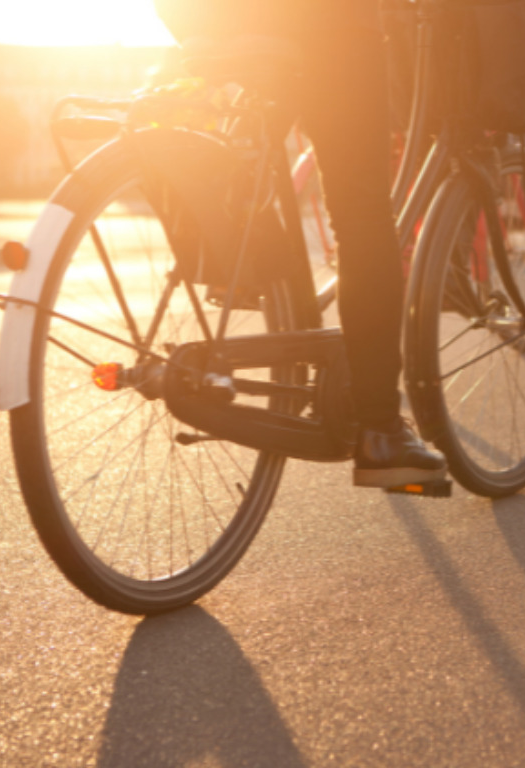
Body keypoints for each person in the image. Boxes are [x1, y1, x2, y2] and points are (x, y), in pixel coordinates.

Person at [153, 0, 446, 489]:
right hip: (324, 23)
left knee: (237, 162)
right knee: (362, 215)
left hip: (205, 16)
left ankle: (242, 263)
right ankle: (380, 431)